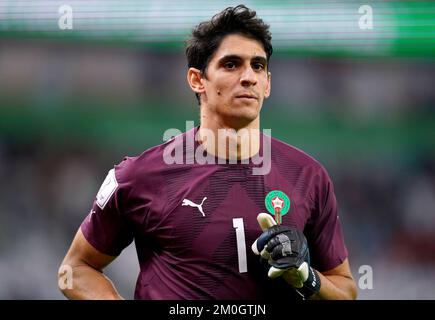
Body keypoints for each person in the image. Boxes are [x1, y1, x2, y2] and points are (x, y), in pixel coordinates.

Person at [58, 5, 357, 300]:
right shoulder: (140, 176)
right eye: (231, 64)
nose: (249, 76)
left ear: (267, 84)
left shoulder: (309, 176)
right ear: (197, 79)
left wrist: (307, 278)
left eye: (258, 65)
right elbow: (76, 269)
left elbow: (346, 290)